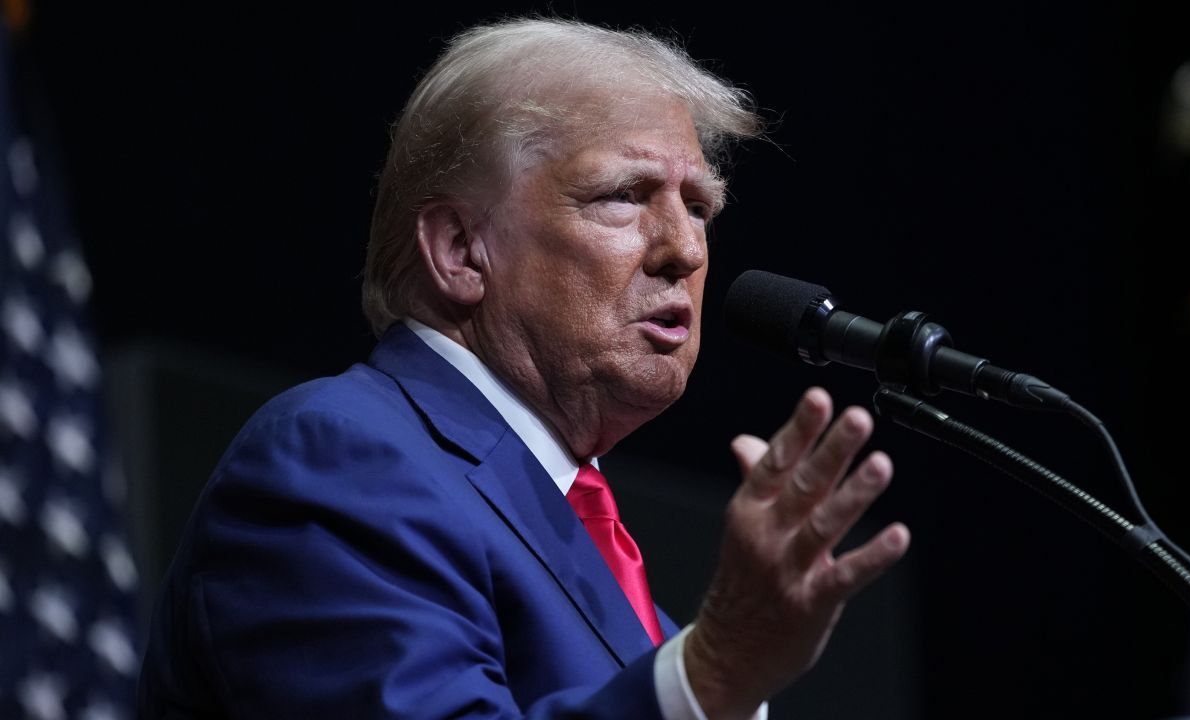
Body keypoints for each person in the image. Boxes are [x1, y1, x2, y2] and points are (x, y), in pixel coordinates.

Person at [137, 17, 910, 719]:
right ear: (461, 251)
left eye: (699, 206)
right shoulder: (337, 460)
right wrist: (712, 675)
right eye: (623, 195)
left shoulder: (633, 595)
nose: (687, 249)